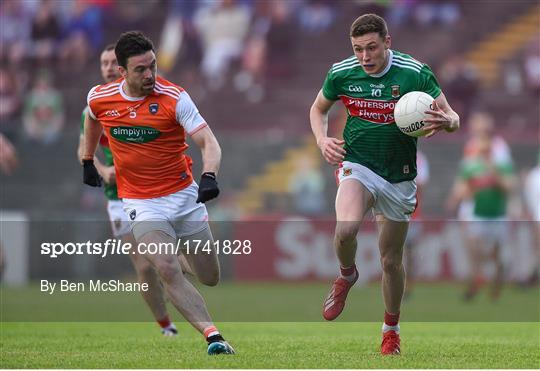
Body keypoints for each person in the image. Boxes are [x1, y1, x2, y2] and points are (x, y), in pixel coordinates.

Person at [309, 14, 459, 355]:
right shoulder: (341, 72)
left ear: (387, 42)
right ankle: (347, 274)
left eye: (372, 47)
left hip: (399, 176)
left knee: (391, 261)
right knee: (345, 230)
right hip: (357, 164)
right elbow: (317, 110)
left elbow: (452, 116)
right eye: (358, 49)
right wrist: (322, 140)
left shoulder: (414, 72)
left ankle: (390, 329)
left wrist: (448, 122)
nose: (365, 56)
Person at [81, 31, 234, 355]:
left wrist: (208, 176)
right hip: (139, 200)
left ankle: (183, 256)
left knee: (209, 276)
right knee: (163, 267)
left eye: (152, 66)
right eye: (141, 69)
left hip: (183, 195)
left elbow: (208, 142)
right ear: (122, 72)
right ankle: (214, 337)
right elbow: (92, 120)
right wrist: (87, 160)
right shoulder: (100, 97)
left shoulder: (174, 97)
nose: (150, 74)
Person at [77, 44, 179, 336]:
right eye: (103, 62)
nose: (107, 67)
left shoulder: (150, 97)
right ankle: (166, 326)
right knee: (146, 267)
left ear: (122, 67)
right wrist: (101, 170)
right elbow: (82, 149)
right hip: (118, 198)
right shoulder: (93, 106)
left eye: (112, 62)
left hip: (157, 191)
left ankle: (183, 277)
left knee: (171, 260)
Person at [454, 135, 516, 300]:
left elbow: (509, 187)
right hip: (478, 215)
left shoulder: (502, 167)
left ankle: (496, 289)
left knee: (498, 255)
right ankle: (474, 284)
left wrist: (494, 175)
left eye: (487, 151)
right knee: (475, 250)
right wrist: (470, 189)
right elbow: (462, 191)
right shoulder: (471, 168)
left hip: (498, 216)